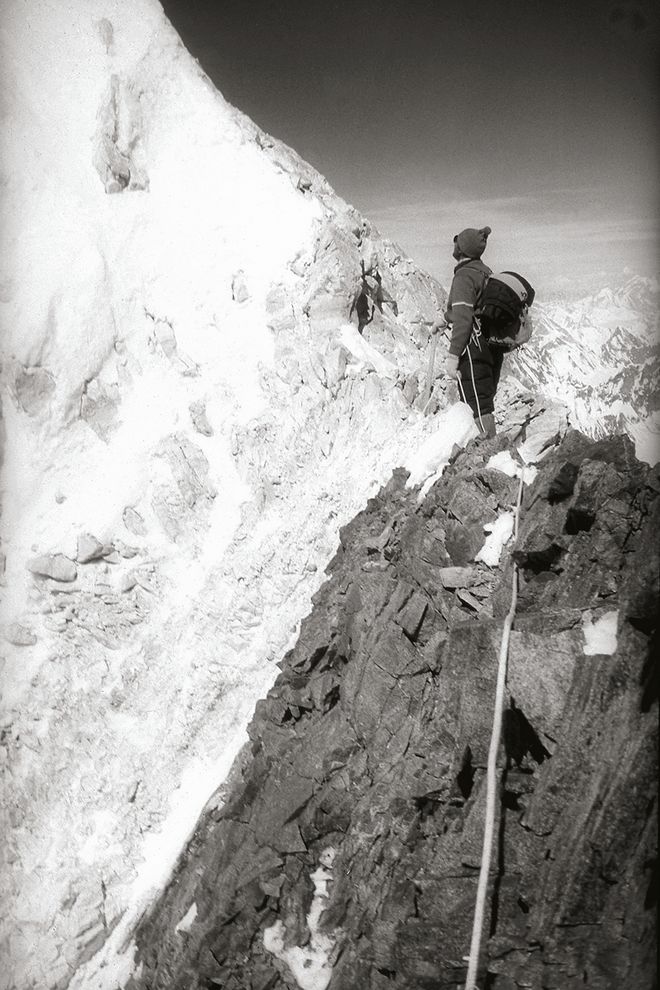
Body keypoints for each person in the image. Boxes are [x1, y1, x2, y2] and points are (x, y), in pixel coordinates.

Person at [440, 225, 501, 438]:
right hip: (490, 346)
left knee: (476, 403)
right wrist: (444, 319)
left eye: (457, 242)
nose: (454, 246)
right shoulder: (484, 272)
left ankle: (489, 453)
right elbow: (470, 309)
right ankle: (490, 451)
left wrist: (453, 355)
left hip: (473, 348)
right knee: (484, 397)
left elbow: (465, 319)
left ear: (462, 248)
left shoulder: (464, 276)